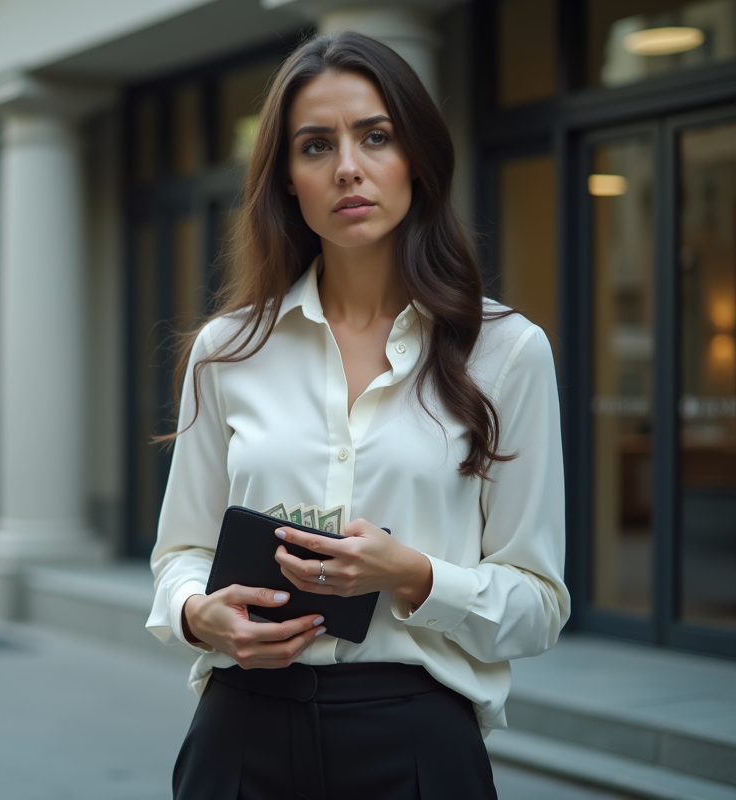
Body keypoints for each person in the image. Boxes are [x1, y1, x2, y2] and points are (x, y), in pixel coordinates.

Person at [146, 31, 569, 800]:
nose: (348, 167)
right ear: (287, 182)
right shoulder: (226, 350)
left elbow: (538, 607)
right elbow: (179, 551)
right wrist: (198, 615)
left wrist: (412, 575)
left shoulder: (507, 352)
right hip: (241, 732)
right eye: (315, 146)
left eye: (376, 136)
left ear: (418, 161)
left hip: (416, 740)